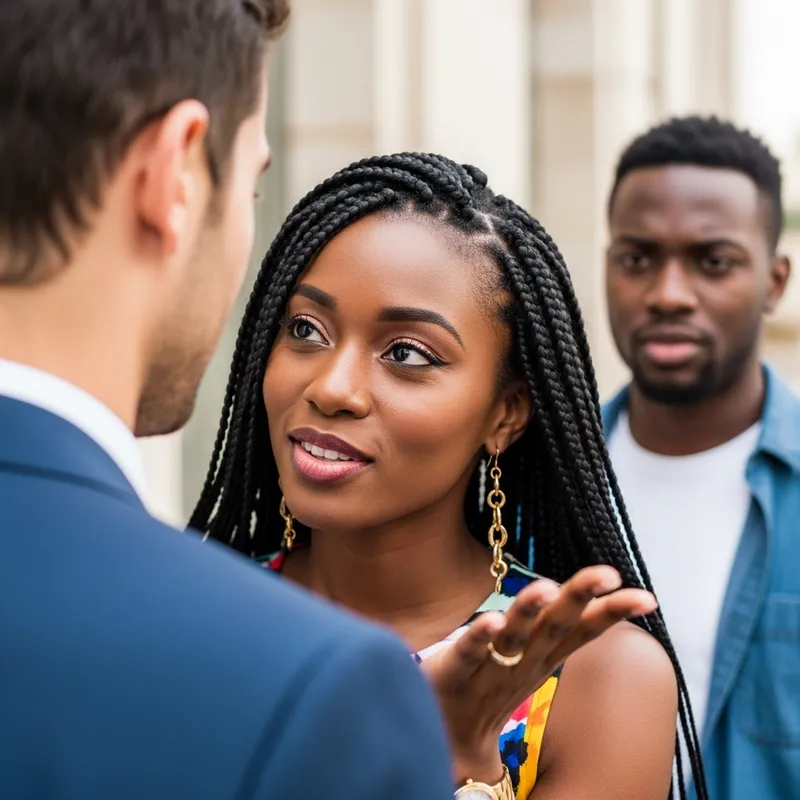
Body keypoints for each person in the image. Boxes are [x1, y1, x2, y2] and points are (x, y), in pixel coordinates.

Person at [0, 4, 458, 799]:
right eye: (252, 184)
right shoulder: (309, 693)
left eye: (407, 354)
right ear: (175, 173)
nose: (334, 388)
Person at [192, 152, 709, 799]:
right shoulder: (186, 617)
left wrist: (457, 765)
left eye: (406, 353)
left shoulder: (595, 679)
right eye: (306, 329)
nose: (333, 387)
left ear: (506, 413)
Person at [603, 115, 799, 799]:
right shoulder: (531, 481)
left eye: (712, 262)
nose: (668, 294)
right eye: (638, 258)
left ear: (774, 281)